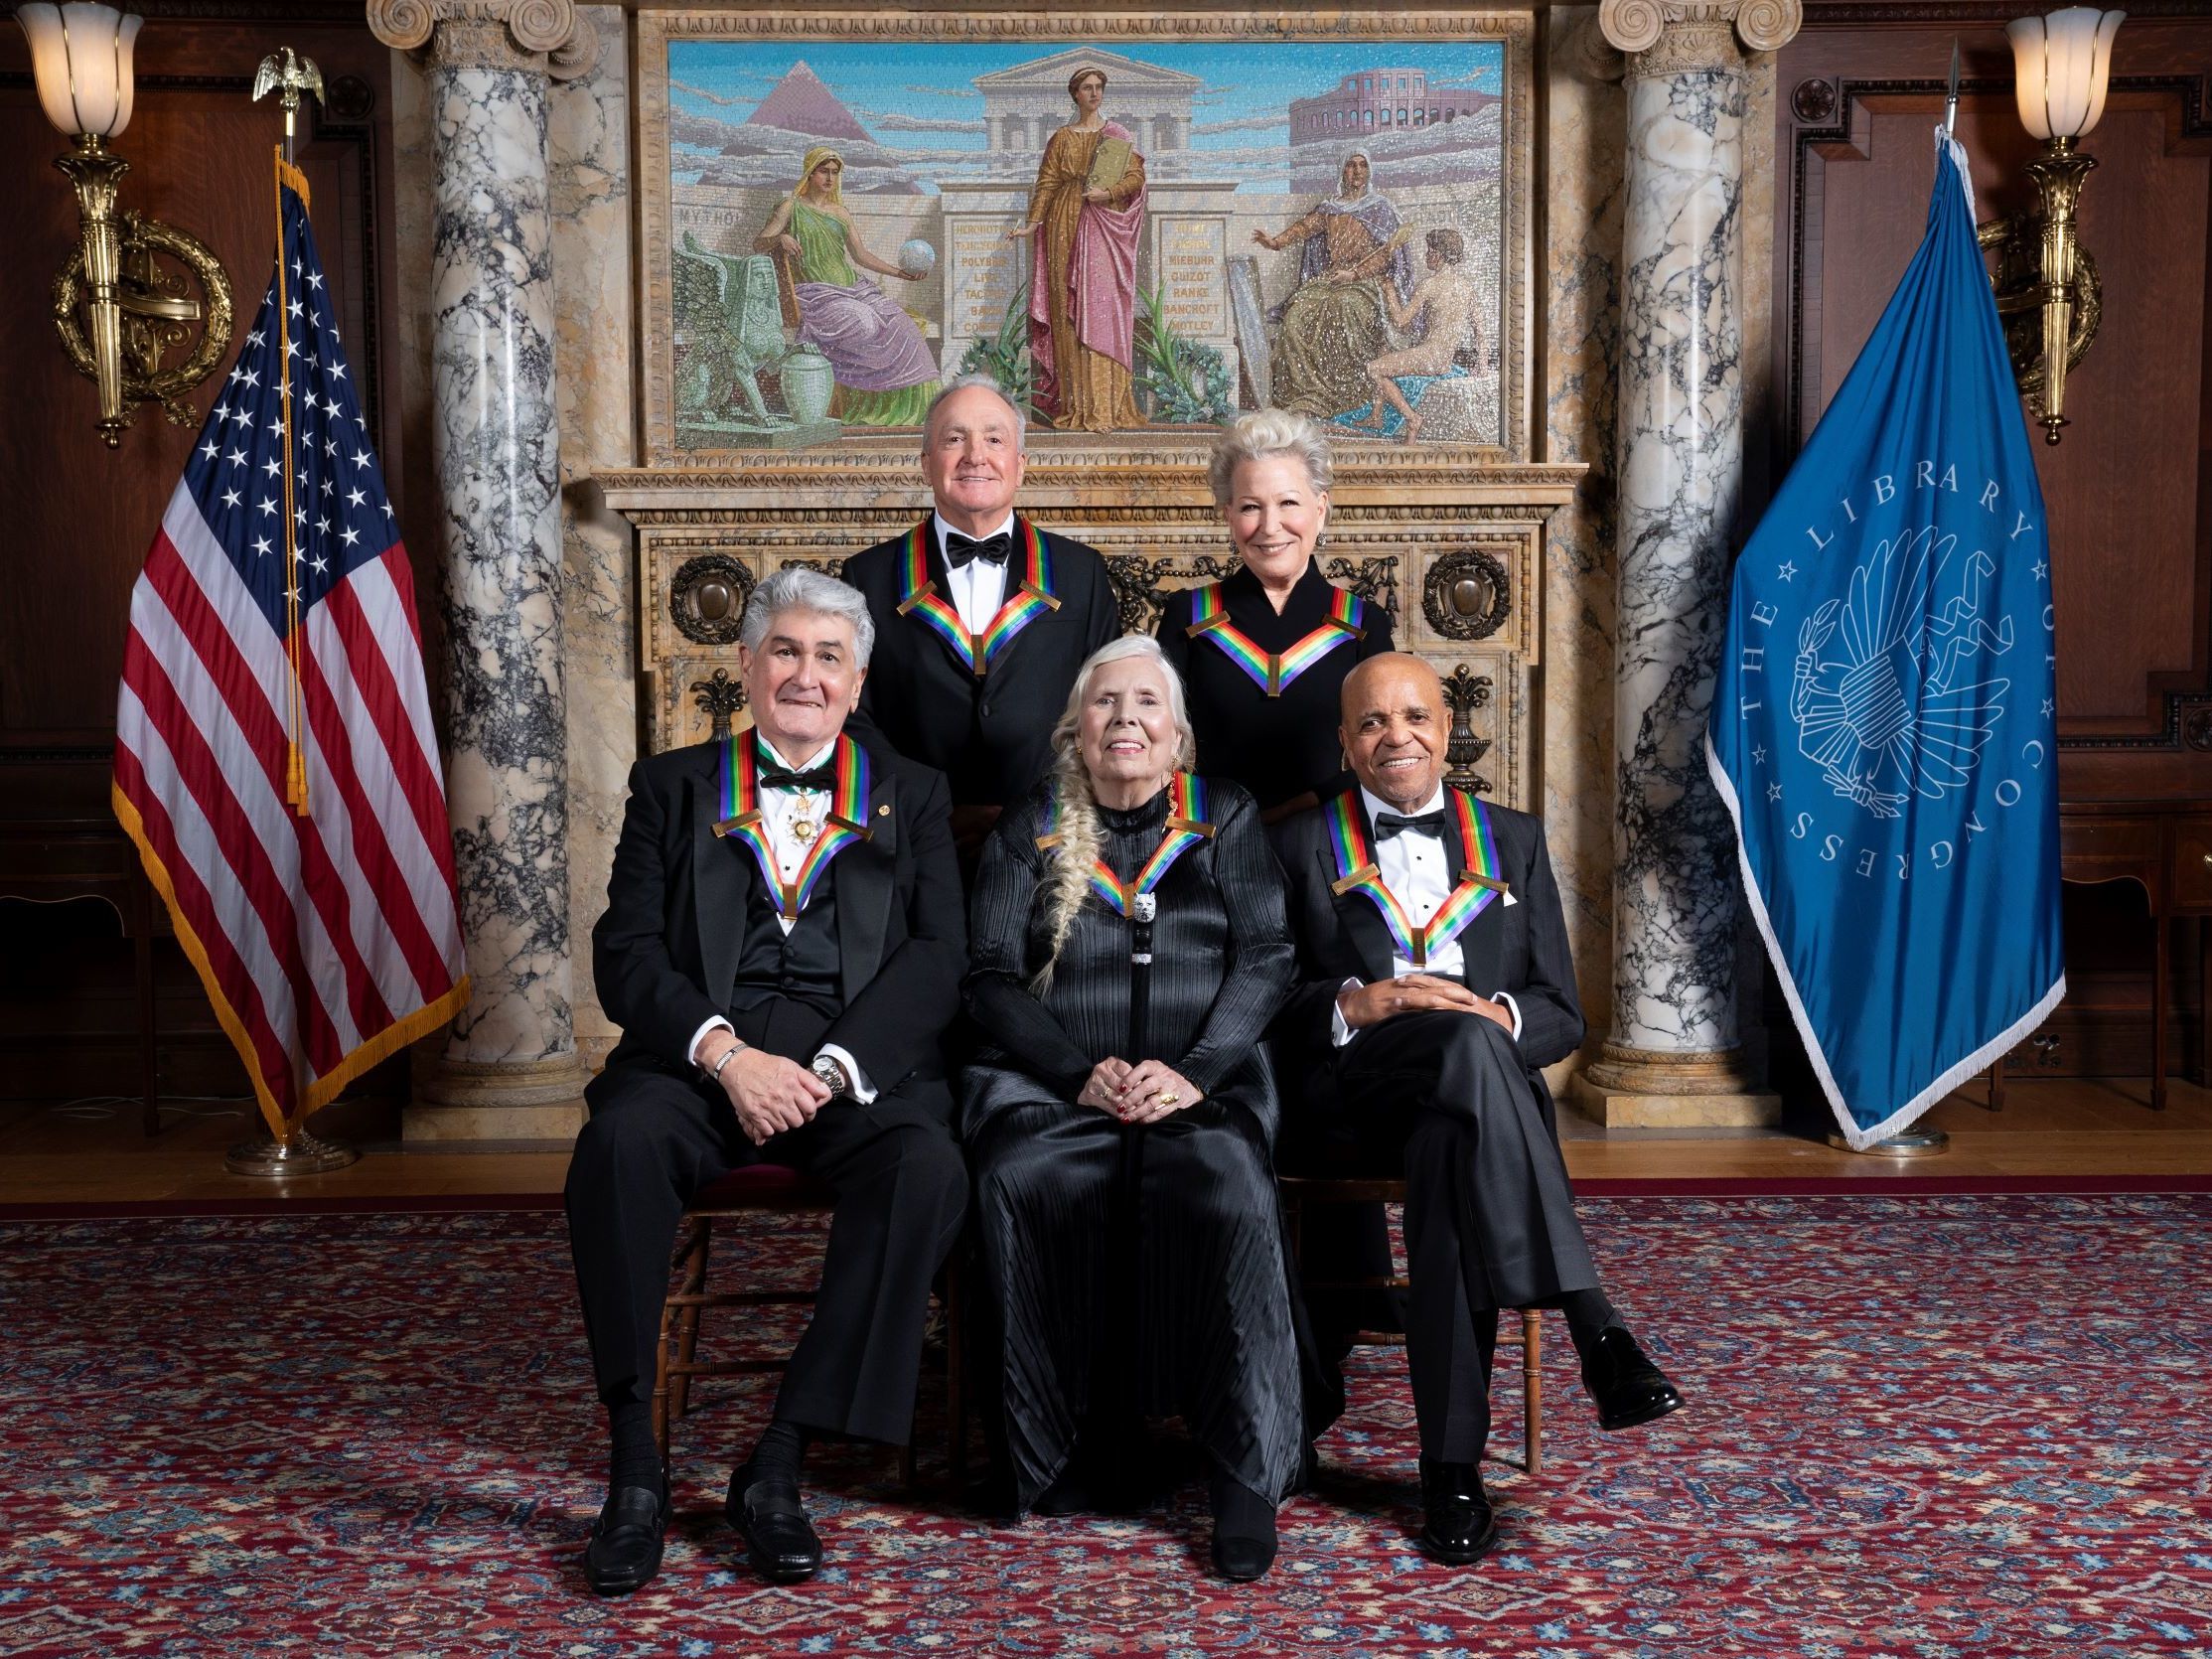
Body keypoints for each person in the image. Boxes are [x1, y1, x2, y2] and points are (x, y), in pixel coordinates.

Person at [566, 569, 969, 1595]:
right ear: (744, 665)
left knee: (928, 1167)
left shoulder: (911, 792)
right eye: (783, 650)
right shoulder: (672, 784)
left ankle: (780, 1457)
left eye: (827, 656)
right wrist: (725, 1053)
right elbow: (626, 950)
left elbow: (935, 956)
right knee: (616, 1144)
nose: (804, 673)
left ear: (858, 679)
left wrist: (834, 1068)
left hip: (848, 1078)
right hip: (702, 1068)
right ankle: (636, 1466)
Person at [1271, 653, 1685, 1566]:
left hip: (1466, 1105)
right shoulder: (1300, 845)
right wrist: (1353, 1003)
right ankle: (1595, 1326)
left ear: (1444, 731)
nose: (1396, 737)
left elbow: (1559, 1012)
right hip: (1357, 1091)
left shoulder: (1515, 838)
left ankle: (1450, 1471)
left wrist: (1496, 1019)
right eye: (1372, 723)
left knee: (1455, 1135)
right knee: (1464, 1059)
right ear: (1344, 743)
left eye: (1414, 717)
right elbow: (1268, 998)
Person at [960, 637, 1302, 1582]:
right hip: (1048, 1087)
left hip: (1204, 1083)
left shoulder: (1224, 814)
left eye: (1146, 704)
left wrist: (1195, 1071)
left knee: (1224, 1179)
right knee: (1021, 1175)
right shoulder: (1027, 824)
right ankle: (1063, 1444)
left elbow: (1269, 957)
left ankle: (1242, 1470)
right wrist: (1074, 1073)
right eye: (1106, 703)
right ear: (1076, 729)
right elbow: (988, 974)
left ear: (1178, 735)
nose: (1126, 720)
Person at [842, 375, 1121, 858]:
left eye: (994, 439)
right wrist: (927, 808)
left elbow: (1109, 705)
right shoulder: (867, 576)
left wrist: (1054, 813)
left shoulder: (1082, 573)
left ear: (1020, 465)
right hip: (911, 842)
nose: (975, 454)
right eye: (954, 439)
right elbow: (852, 713)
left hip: (1050, 843)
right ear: (927, 464)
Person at [1155, 409, 1396, 824]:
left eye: (1288, 502)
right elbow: (1155, 746)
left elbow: (1384, 751)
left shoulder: (1365, 624)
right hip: (1213, 843)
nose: (1270, 526)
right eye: (1251, 507)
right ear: (1228, 515)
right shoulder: (1187, 615)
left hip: (1332, 843)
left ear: (1319, 510)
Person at [754, 147, 939, 427]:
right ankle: (857, 402)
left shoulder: (840, 213)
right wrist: (779, 238)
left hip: (855, 289)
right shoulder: (791, 207)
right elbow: (757, 244)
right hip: (818, 295)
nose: (830, 178)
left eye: (835, 172)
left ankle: (915, 411)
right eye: (823, 171)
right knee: (864, 324)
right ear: (810, 172)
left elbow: (860, 255)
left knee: (904, 325)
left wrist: (899, 273)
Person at [1007, 66, 1146, 432]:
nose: (1094, 93)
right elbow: (1048, 182)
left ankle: (1105, 407)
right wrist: (1033, 225)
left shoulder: (1116, 134)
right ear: (1075, 94)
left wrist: (1109, 193)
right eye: (1087, 88)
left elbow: (1135, 178)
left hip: (1100, 223)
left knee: (1100, 310)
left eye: (1099, 87)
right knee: (1066, 313)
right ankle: (1075, 405)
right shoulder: (1062, 138)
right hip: (1063, 224)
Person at [1253, 149, 1414, 421]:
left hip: (1364, 283)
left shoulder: (1380, 208)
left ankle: (1343, 394)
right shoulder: (1331, 207)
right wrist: (1275, 242)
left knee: (1344, 309)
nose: (1357, 171)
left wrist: (1354, 275)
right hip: (1329, 279)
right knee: (1295, 317)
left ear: (1369, 171)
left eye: (1362, 165)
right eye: (1351, 165)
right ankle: (1306, 395)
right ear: (1343, 171)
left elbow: (1386, 256)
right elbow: (1303, 228)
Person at [1351, 228, 1485, 444]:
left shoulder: (1429, 285)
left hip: (1429, 357)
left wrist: (1390, 290)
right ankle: (1376, 417)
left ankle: (1412, 419)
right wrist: (1484, 365)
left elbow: (1401, 321)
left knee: (1373, 368)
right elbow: (1480, 332)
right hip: (1444, 359)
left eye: (1429, 251)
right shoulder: (1466, 288)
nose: (1425, 256)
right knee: (1383, 351)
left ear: (1438, 254)